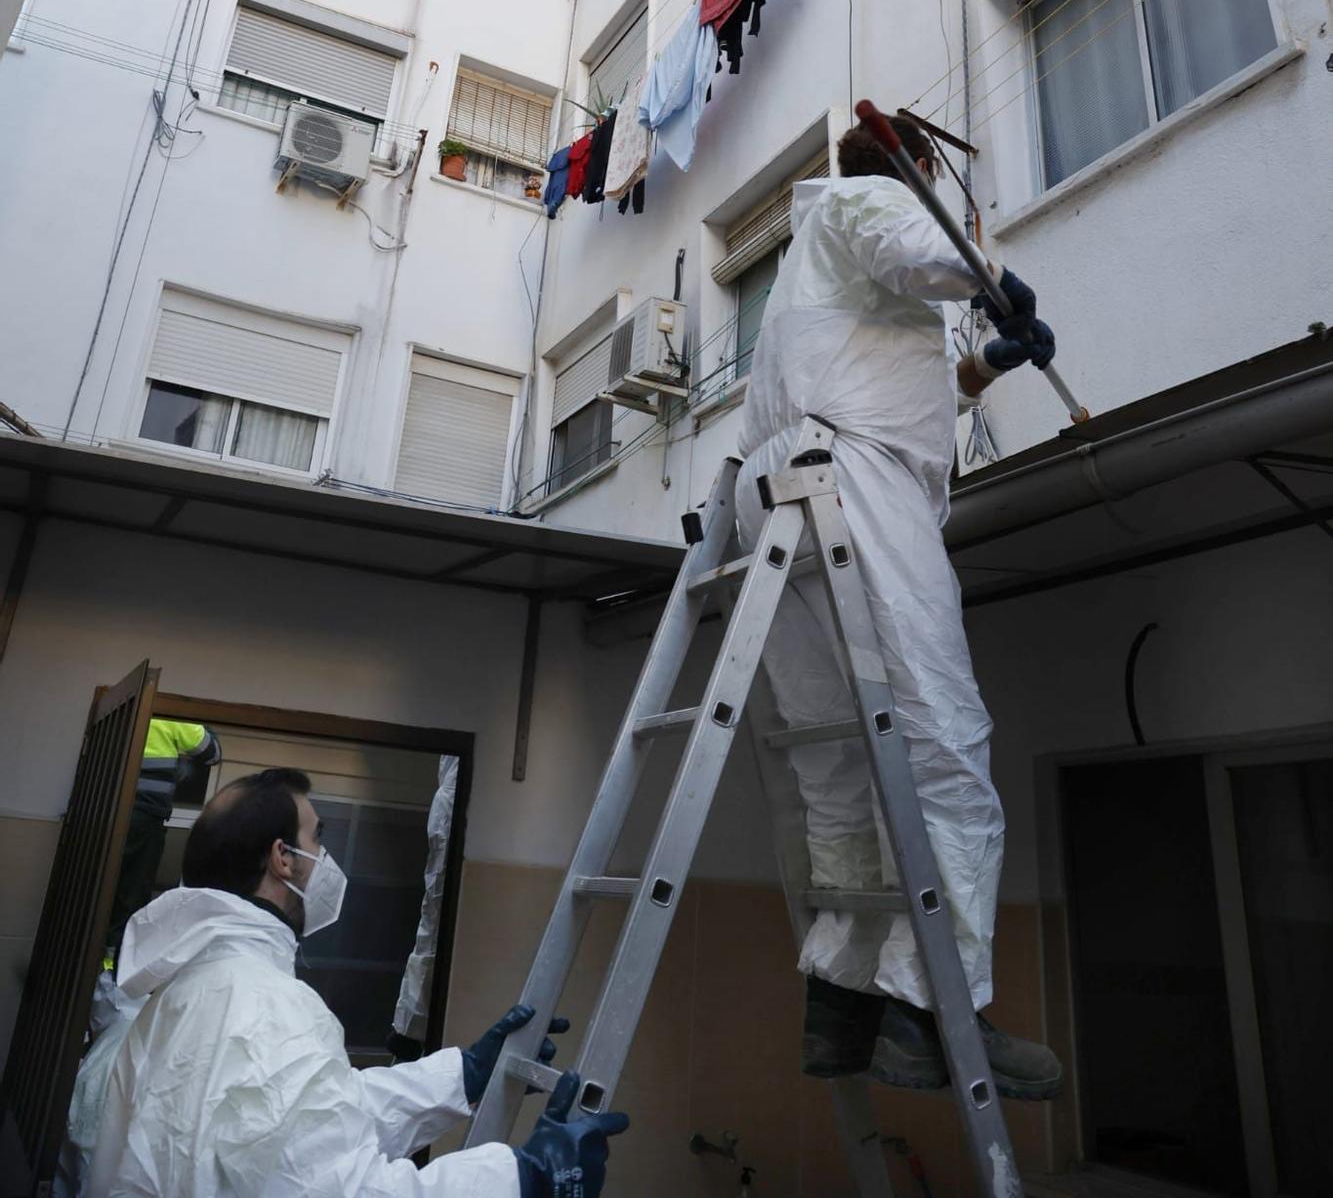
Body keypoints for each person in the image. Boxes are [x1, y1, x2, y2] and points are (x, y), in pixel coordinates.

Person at [735, 114, 1062, 1100]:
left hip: (779, 491)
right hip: (855, 483)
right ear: (918, 170)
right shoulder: (869, 202)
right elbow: (925, 250)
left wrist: (984, 368)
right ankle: (937, 1008)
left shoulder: (817, 258)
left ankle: (842, 1007)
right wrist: (992, 277)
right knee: (943, 738)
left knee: (837, 760)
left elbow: (894, 380)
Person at [81, 767, 628, 1197]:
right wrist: (523, 1179)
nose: (325, 859)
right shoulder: (265, 1007)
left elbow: (288, 1126)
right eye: (317, 838)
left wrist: (460, 1077)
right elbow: (332, 1187)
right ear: (283, 859)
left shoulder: (188, 996)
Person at [105, 717, 221, 957]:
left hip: (106, 814)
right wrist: (206, 728)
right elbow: (212, 752)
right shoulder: (174, 718)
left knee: (101, 888)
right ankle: (111, 966)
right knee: (132, 894)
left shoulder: (127, 716)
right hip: (145, 817)